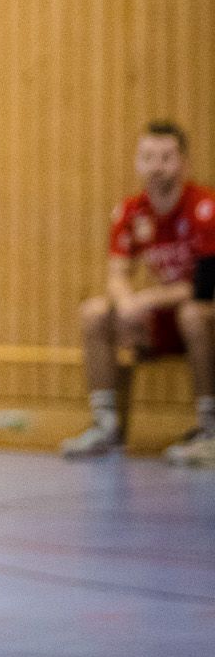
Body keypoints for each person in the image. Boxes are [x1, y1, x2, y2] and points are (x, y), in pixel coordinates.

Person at [61, 122, 215, 462]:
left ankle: (211, 431)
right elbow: (117, 274)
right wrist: (127, 301)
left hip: (203, 316)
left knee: (192, 314)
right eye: (148, 157)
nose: (156, 167)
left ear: (183, 162)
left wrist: (147, 298)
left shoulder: (205, 207)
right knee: (96, 313)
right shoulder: (132, 211)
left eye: (165, 158)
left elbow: (205, 287)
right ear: (137, 161)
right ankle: (106, 427)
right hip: (166, 319)